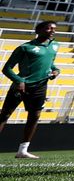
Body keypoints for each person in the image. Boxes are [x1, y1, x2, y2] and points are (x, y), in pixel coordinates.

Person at [1, 21, 59, 159]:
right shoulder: (25, 47)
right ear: (38, 30)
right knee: (4, 115)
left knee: (35, 117)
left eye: (54, 29)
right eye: (49, 28)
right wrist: (18, 80)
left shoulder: (55, 46)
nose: (52, 31)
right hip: (22, 85)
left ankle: (23, 150)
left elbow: (51, 64)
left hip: (40, 87)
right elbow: (7, 68)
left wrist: (56, 71)